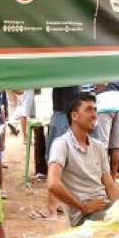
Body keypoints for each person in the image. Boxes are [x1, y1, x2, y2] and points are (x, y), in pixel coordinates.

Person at [47, 92, 119, 225]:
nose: (94, 115)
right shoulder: (62, 144)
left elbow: (110, 187)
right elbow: (53, 183)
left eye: (95, 110)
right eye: (88, 110)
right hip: (84, 217)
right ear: (74, 116)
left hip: (104, 208)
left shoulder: (98, 146)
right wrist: (83, 207)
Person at [29, 85, 82, 220]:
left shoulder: (66, 65)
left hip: (62, 112)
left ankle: (51, 208)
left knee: (54, 160)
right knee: (65, 160)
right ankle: (60, 203)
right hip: (70, 111)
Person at [93, 82, 119, 179]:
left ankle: (106, 178)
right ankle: (113, 178)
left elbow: (101, 84)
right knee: (116, 146)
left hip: (104, 103)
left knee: (103, 145)